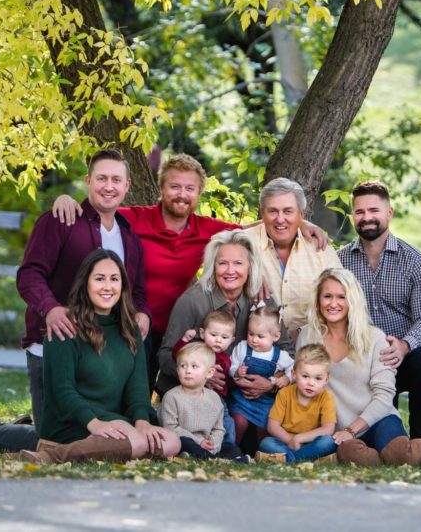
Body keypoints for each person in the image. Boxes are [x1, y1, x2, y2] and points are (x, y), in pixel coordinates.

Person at [52, 156, 328, 388]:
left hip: (183, 324)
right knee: (129, 390)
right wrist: (67, 199)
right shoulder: (135, 218)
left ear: (199, 193)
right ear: (161, 188)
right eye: (174, 186)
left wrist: (300, 224)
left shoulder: (206, 229)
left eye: (190, 188)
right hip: (135, 322)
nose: (182, 194)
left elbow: (251, 229)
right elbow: (100, 210)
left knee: (181, 379)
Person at [0, 148, 149, 452]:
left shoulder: (129, 237)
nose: (108, 186)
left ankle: (26, 425)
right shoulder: (61, 220)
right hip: (54, 343)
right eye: (101, 178)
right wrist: (51, 308)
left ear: (127, 186)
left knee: (96, 432)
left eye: (116, 180)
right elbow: (29, 274)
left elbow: (134, 291)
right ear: (87, 181)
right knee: (53, 438)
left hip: (97, 355)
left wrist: (143, 314)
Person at [298, 268, 421, 468]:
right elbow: (301, 383)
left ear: (353, 301)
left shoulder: (374, 338)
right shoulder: (308, 336)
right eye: (327, 296)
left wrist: (351, 430)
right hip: (341, 434)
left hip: (379, 420)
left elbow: (384, 395)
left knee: (398, 453)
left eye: (341, 297)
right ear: (318, 300)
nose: (333, 303)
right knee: (350, 454)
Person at [15, 250, 180, 464]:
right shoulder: (64, 325)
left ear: (123, 285)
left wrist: (142, 423)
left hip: (117, 421)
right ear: (85, 284)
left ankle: (119, 445)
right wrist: (94, 424)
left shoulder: (130, 328)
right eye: (99, 279)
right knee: (137, 442)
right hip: (72, 422)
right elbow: (61, 391)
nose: (108, 287)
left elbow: (137, 388)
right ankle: (50, 455)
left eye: (114, 279)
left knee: (171, 441)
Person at [337, 180, 421, 440]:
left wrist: (404, 346)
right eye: (360, 212)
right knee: (382, 440)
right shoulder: (339, 261)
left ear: (389, 213)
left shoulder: (415, 261)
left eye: (374, 210)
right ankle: (381, 435)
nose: (367, 218)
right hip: (360, 359)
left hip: (403, 355)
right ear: (353, 216)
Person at [156, 230, 261, 396]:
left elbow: (284, 347)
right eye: (223, 263)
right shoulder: (192, 301)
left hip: (234, 395)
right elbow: (165, 356)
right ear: (213, 267)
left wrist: (272, 383)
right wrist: (201, 376)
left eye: (238, 263)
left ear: (250, 267)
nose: (230, 271)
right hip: (186, 394)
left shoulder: (258, 300)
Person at [244, 177, 340, 333]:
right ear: (262, 213)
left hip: (311, 344)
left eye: (288, 211)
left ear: (301, 214)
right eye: (273, 211)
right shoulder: (242, 243)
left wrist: (303, 333)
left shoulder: (320, 248)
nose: (280, 219)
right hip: (255, 347)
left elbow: (343, 298)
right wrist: (248, 272)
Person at [158, 342, 245, 461]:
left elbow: (218, 428)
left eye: (194, 366)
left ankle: (212, 456)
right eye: (183, 366)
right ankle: (214, 459)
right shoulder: (171, 396)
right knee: (184, 442)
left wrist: (213, 444)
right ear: (178, 370)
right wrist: (199, 442)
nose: (187, 370)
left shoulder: (214, 398)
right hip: (185, 441)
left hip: (207, 444)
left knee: (233, 449)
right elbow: (170, 427)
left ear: (209, 373)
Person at [256, 344, 338, 464]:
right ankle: (310, 459)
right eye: (305, 376)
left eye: (318, 378)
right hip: (286, 442)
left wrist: (299, 438)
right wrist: (291, 441)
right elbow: (272, 426)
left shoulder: (326, 398)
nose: (311, 383)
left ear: (326, 379)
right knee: (267, 443)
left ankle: (289, 459)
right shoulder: (285, 393)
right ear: (294, 374)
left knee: (328, 442)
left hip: (312, 442)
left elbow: (328, 429)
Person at [171, 310, 237, 449]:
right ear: (202, 333)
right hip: (195, 394)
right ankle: (194, 445)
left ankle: (227, 447)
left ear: (232, 340)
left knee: (226, 422)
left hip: (218, 399)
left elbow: (227, 381)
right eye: (213, 335)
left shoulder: (227, 359)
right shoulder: (199, 351)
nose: (218, 340)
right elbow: (179, 355)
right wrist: (184, 341)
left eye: (224, 337)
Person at [228, 306, 295, 445]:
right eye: (251, 334)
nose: (254, 340)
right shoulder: (242, 347)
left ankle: (262, 452)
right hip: (242, 399)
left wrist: (286, 379)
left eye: (260, 336)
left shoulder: (280, 355)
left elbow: (293, 368)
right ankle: (232, 449)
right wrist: (236, 372)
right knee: (238, 422)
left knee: (265, 426)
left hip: (266, 402)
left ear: (276, 336)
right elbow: (232, 364)